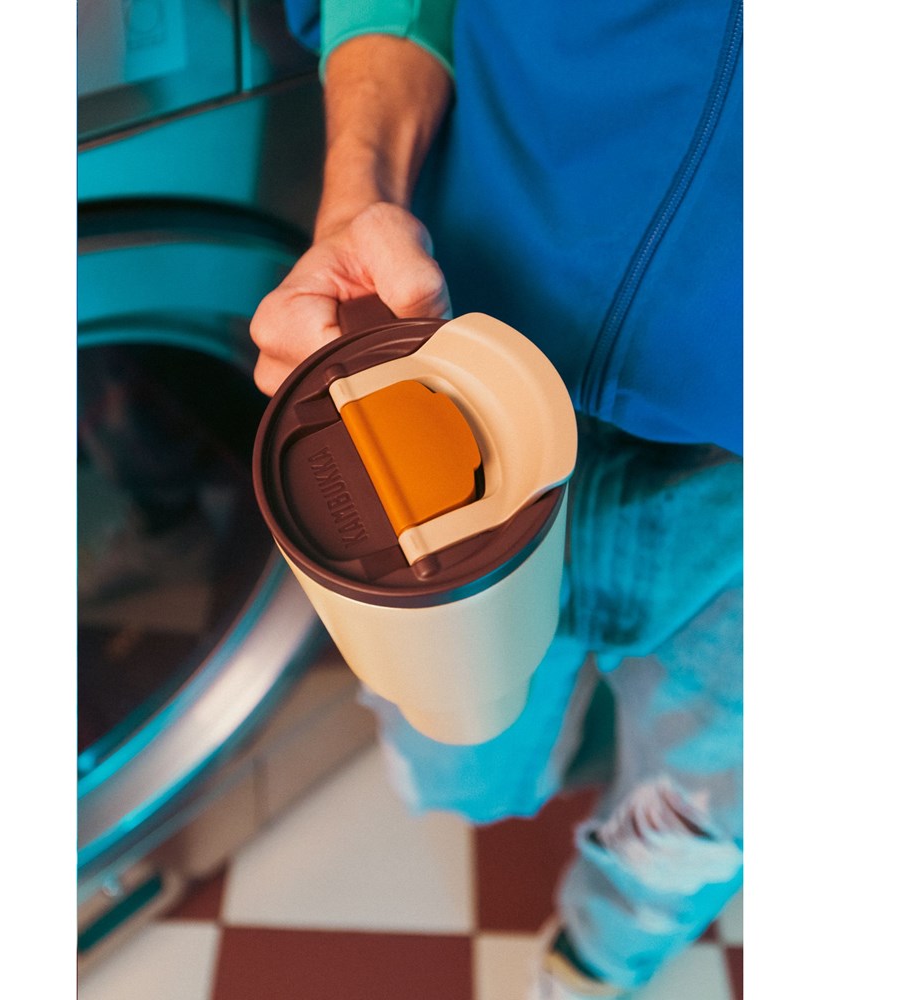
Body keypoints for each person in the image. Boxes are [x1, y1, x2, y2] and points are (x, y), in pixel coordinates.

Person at [250, 1, 743, 996]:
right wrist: (357, 194)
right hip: (462, 371)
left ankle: (596, 963)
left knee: (706, 810)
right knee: (462, 760)